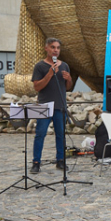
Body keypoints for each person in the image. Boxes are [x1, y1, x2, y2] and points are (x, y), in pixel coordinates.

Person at [30, 38, 72, 174]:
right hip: (44, 105)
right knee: (40, 134)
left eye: (58, 48)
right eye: (53, 47)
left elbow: (68, 87)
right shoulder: (40, 66)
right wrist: (49, 74)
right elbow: (37, 87)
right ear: (46, 48)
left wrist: (69, 79)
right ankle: (36, 162)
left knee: (60, 135)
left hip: (60, 105)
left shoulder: (64, 65)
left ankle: (60, 160)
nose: (56, 50)